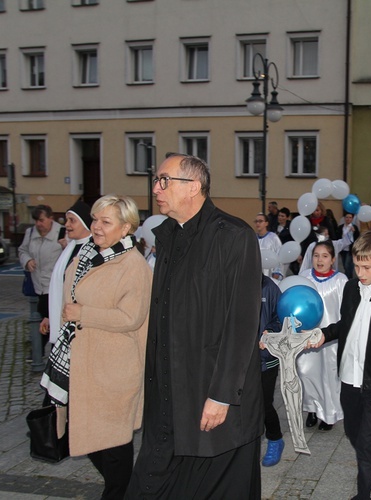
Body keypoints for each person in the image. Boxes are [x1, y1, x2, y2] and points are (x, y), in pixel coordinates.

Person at [126, 154, 263, 499]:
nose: (156, 188)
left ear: (194, 187)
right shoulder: (168, 235)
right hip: (170, 397)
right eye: (155, 180)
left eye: (164, 180)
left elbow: (242, 323)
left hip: (213, 399)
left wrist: (221, 395)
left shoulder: (234, 235)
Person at [39, 195, 151, 499]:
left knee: (112, 444)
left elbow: (132, 317)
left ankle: (122, 492)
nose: (96, 226)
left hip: (113, 370)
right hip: (81, 363)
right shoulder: (88, 253)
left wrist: (82, 314)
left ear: (126, 227)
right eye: (94, 219)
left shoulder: (133, 264)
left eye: (105, 221)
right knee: (85, 435)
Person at [312, 231, 371, 500]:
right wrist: (324, 334)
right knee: (354, 435)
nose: (360, 272)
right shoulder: (350, 288)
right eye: (356, 265)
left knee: (365, 442)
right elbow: (346, 325)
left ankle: (363, 494)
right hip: (348, 378)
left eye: (366, 267)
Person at [299, 241, 348, 432]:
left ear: (333, 259)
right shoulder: (304, 278)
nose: (320, 260)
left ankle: (328, 413)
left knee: (328, 375)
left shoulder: (340, 281)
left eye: (325, 256)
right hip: (307, 335)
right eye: (316, 255)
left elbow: (346, 310)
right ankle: (312, 408)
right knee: (306, 372)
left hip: (330, 338)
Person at [40, 200, 93, 346]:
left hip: (79, 327)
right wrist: (50, 315)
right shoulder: (71, 248)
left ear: (84, 223)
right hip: (65, 322)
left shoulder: (92, 250)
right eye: (67, 220)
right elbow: (60, 286)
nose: (67, 225)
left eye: (72, 221)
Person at [18, 205, 63, 357]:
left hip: (56, 288)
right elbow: (22, 250)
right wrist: (27, 260)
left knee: (52, 320)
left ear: (51, 218)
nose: (38, 224)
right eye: (36, 220)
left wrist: (66, 246)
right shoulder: (30, 233)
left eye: (42, 220)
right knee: (44, 319)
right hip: (39, 287)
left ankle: (50, 353)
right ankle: (42, 352)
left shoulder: (62, 232)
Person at [259, 275, 285, 467]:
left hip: (266, 357)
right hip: (241, 357)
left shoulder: (269, 287)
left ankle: (275, 439)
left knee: (263, 402)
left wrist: (270, 330)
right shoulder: (230, 281)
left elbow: (282, 317)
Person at [254, 212, 283, 280]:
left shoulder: (273, 238)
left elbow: (279, 254)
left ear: (266, 223)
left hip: (270, 273)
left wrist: (277, 272)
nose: (258, 223)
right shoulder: (253, 238)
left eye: (260, 221)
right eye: (256, 221)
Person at [339, 213, 359, 279]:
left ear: (352, 219)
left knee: (347, 264)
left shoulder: (354, 227)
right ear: (344, 218)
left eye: (350, 217)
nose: (348, 219)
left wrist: (353, 232)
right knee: (345, 264)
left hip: (350, 249)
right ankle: (349, 276)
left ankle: (348, 278)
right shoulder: (341, 227)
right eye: (347, 217)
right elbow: (338, 236)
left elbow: (357, 238)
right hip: (342, 248)